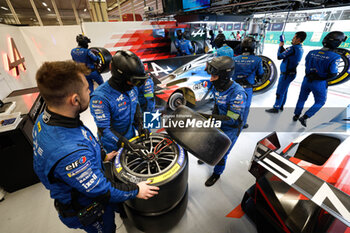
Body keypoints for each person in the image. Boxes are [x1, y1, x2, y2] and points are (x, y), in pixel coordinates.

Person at [33, 60, 159, 233]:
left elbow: (82, 138)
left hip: (84, 178)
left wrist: (102, 156)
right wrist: (136, 190)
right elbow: (101, 191)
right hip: (88, 207)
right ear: (75, 99)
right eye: (87, 88)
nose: (90, 91)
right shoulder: (72, 153)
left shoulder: (46, 119)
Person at [198, 56, 247, 186]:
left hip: (232, 127)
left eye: (214, 76)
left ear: (224, 76)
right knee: (209, 141)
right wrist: (211, 120)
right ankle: (207, 157)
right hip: (218, 119)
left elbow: (231, 119)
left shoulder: (237, 93)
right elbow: (216, 104)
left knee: (222, 152)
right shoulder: (218, 86)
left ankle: (217, 174)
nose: (210, 79)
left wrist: (208, 117)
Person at [90, 50, 150, 154]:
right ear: (120, 78)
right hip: (112, 146)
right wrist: (125, 144)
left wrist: (140, 124)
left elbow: (135, 105)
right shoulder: (100, 98)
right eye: (133, 81)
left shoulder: (132, 87)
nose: (135, 85)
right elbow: (104, 130)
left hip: (131, 137)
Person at [293, 31, 346, 127]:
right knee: (320, 101)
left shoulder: (311, 52)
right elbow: (333, 74)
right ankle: (305, 117)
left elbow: (306, 66)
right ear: (337, 42)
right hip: (319, 83)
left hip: (306, 80)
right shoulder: (335, 57)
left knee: (302, 98)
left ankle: (296, 115)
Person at [265, 31, 306, 113]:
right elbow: (287, 54)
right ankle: (281, 105)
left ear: (298, 39)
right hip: (291, 73)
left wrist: (280, 47)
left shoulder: (293, 48)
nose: (292, 39)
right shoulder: (299, 48)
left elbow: (279, 56)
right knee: (284, 90)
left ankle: (276, 107)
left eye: (294, 37)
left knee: (280, 91)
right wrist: (283, 47)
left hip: (286, 74)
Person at [233, 37, 264, 129]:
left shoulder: (234, 59)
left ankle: (233, 121)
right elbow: (261, 74)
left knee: (234, 105)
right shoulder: (257, 60)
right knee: (246, 107)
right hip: (247, 87)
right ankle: (242, 124)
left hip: (235, 87)